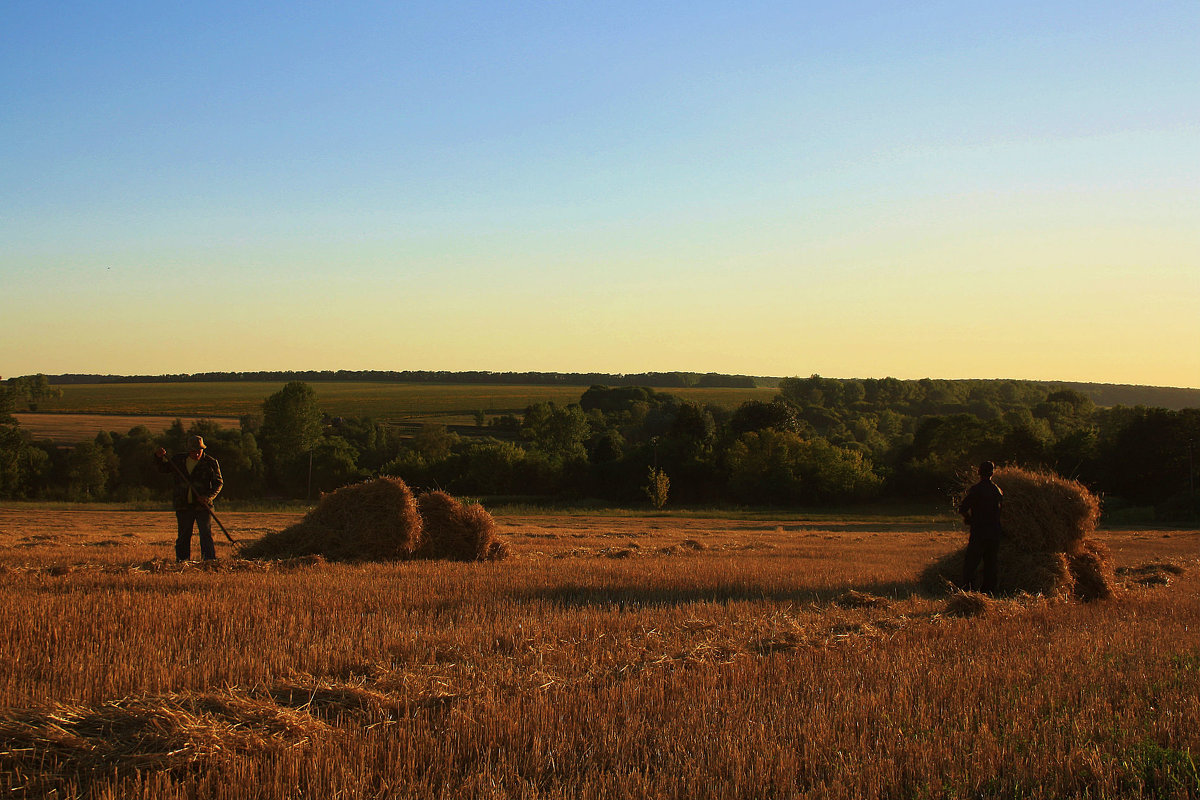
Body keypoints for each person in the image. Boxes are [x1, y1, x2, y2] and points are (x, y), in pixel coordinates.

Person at [154, 435, 223, 561]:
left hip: (204, 506)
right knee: (184, 536)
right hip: (183, 504)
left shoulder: (211, 462)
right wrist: (159, 458)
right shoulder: (178, 460)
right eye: (193, 451)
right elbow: (163, 469)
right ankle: (182, 562)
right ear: (188, 450)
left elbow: (218, 483)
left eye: (199, 451)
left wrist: (208, 497)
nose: (196, 453)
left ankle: (209, 562)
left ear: (203, 449)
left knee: (206, 535)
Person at [958, 460, 1003, 593]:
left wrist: (969, 519)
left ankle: (968, 591)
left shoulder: (976, 490)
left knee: (971, 563)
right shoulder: (998, 491)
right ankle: (989, 592)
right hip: (994, 532)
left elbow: (963, 508)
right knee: (991, 564)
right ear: (992, 473)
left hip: (979, 532)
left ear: (979, 472)